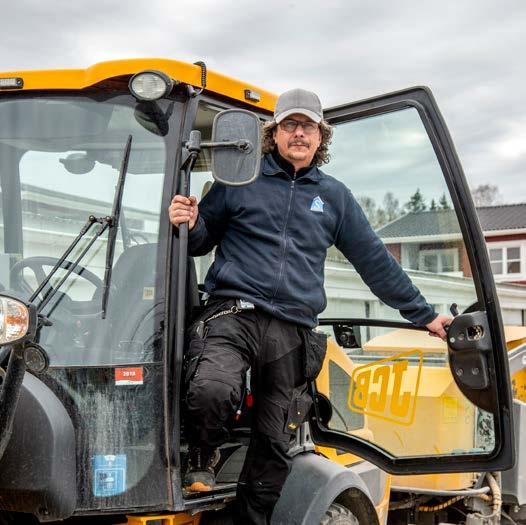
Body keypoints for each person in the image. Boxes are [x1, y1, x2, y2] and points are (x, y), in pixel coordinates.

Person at [168, 88, 451, 525]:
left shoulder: (334, 197)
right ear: (274, 134)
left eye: (308, 127)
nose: (298, 133)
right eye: (289, 125)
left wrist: (426, 315)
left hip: (292, 330)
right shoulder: (238, 181)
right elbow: (202, 239)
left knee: (276, 444)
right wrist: (190, 221)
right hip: (233, 313)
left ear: (321, 137)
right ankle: (202, 453)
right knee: (211, 389)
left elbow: (374, 262)